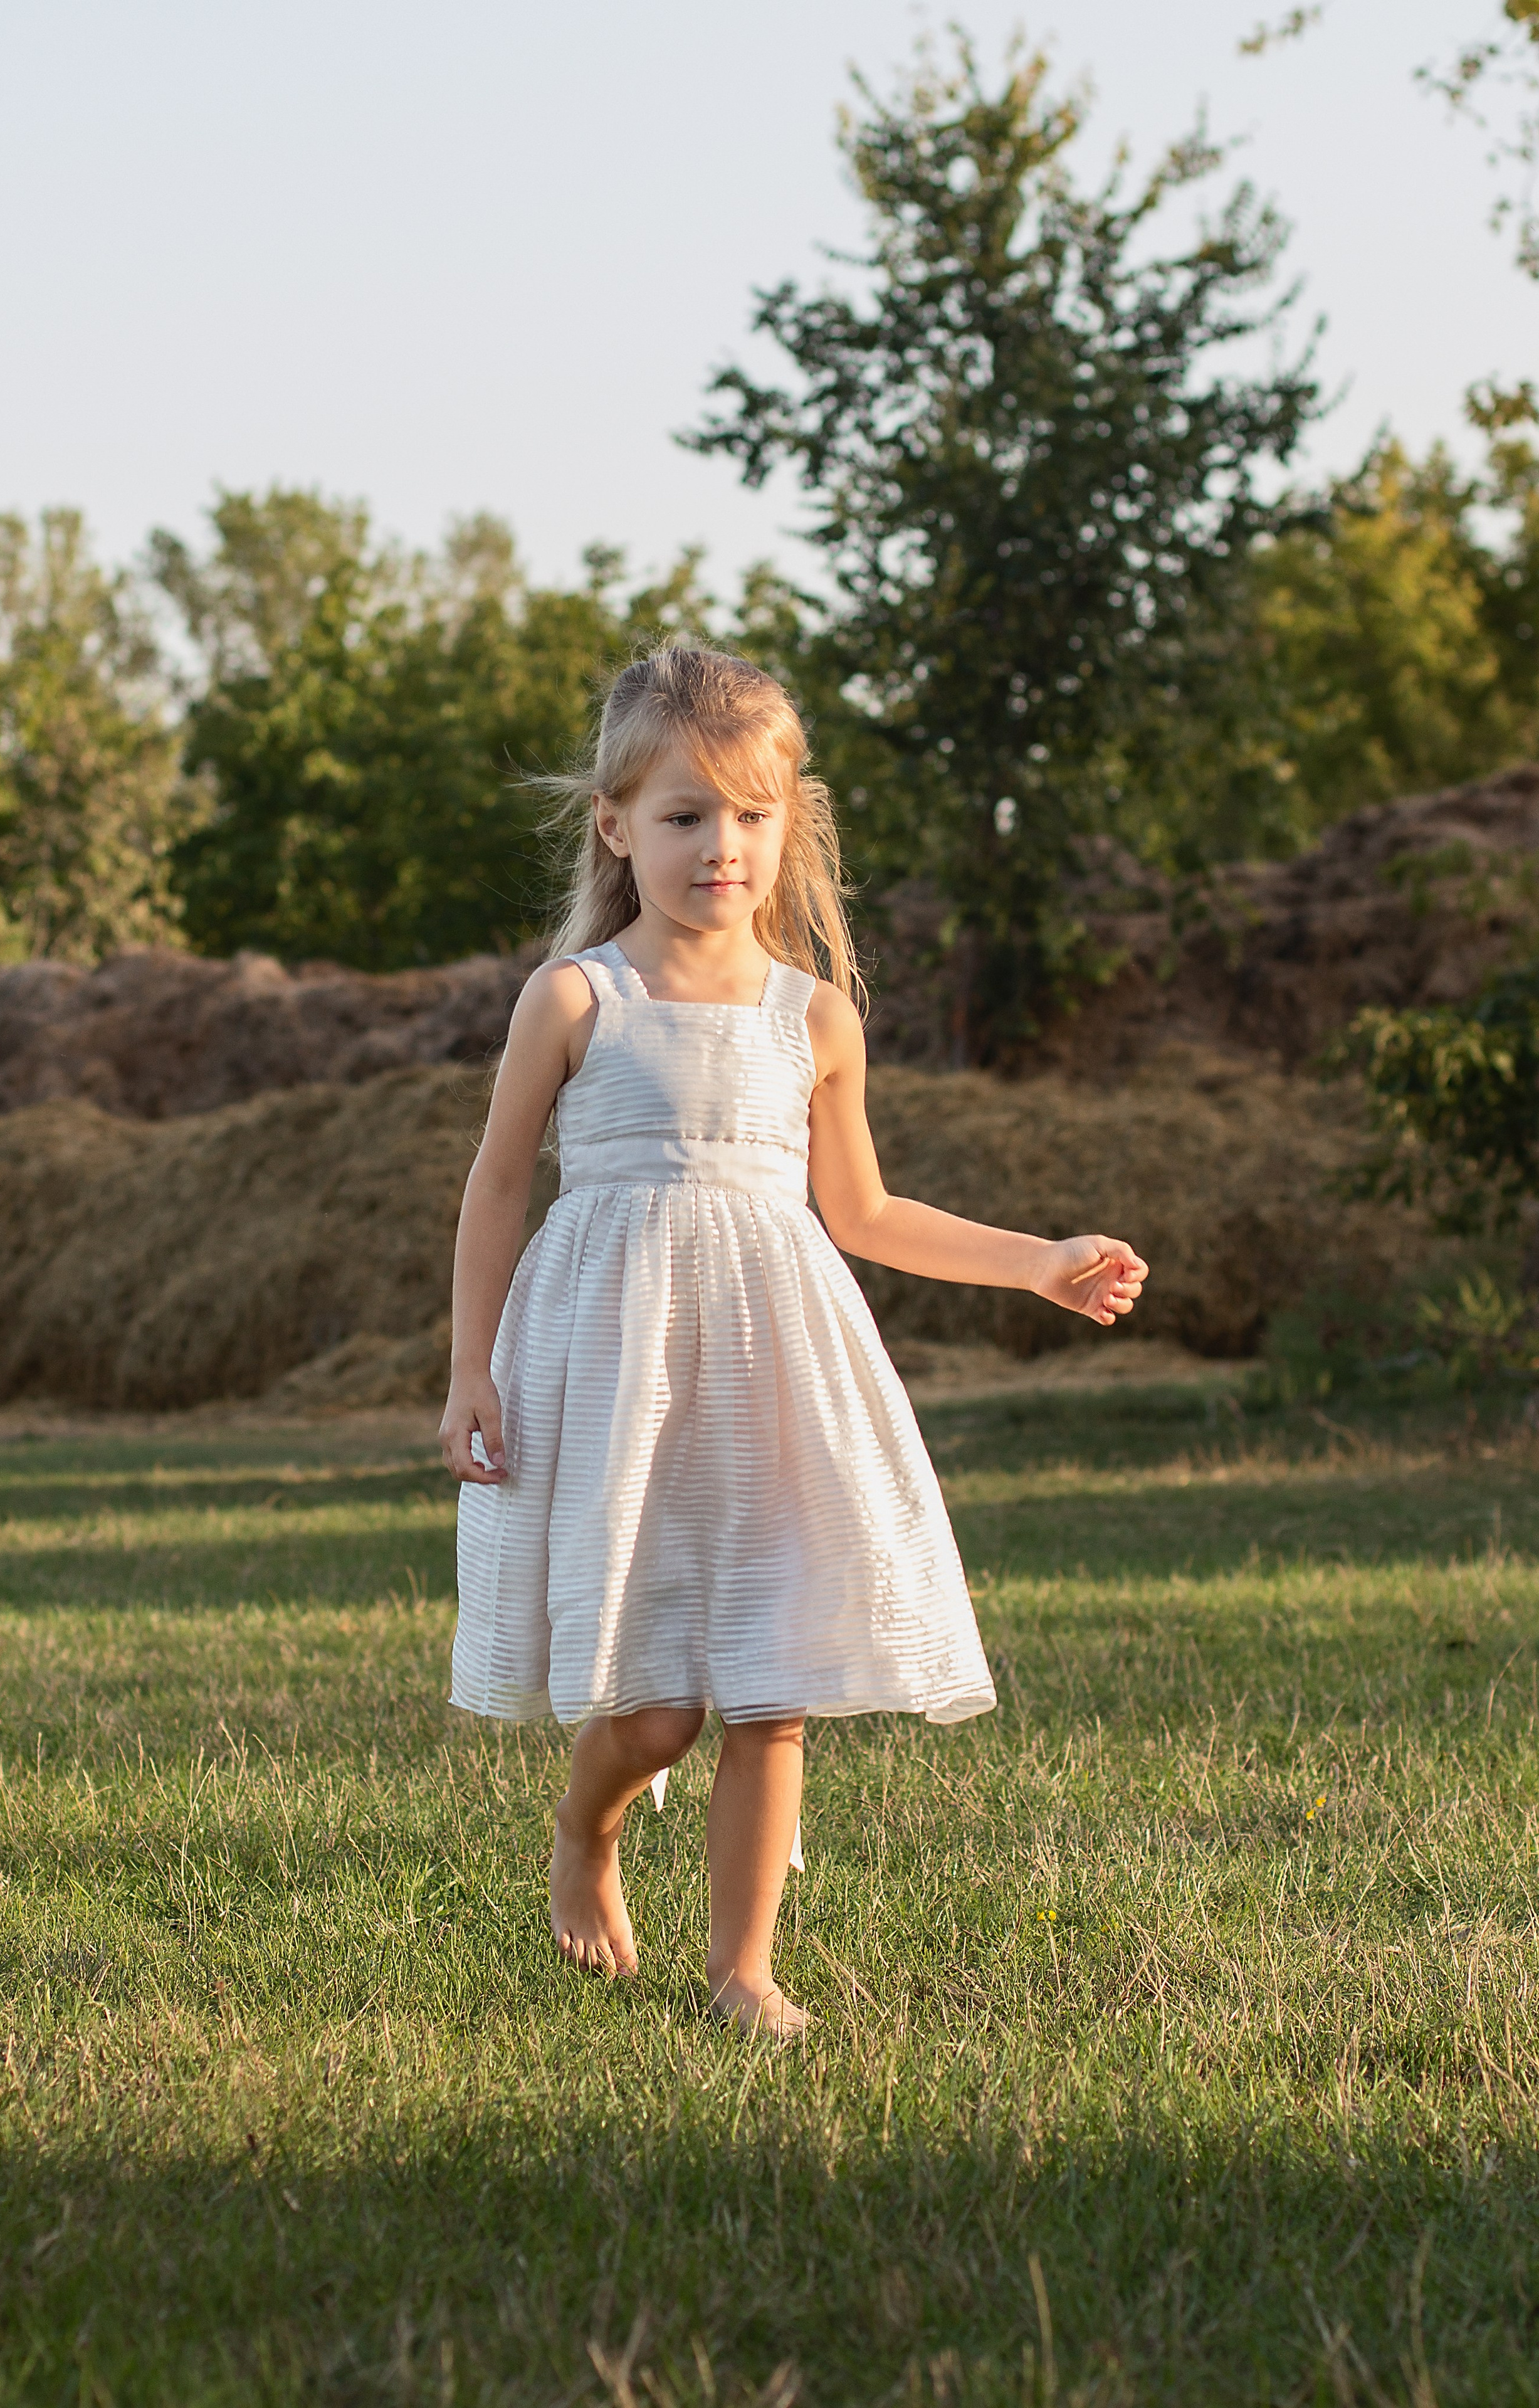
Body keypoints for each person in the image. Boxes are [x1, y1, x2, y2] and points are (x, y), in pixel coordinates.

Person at [439, 647, 1148, 2037]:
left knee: (769, 1687)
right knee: (654, 1714)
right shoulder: (577, 1001)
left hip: (774, 1375)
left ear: (788, 825)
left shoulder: (810, 1017)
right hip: (615, 1371)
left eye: (751, 817)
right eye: (686, 817)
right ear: (615, 824)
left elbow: (864, 1211)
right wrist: (469, 1367)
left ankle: (741, 1973)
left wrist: (1040, 1264)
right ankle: (587, 1832)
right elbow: (496, 1187)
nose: (721, 847)